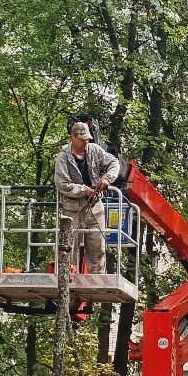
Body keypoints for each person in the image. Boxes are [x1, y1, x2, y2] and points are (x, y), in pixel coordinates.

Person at [53, 116, 122, 275]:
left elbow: (114, 163)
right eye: (83, 139)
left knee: (98, 247)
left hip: (95, 207)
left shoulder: (95, 150)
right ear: (74, 137)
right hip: (72, 209)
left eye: (87, 139)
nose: (86, 142)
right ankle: (67, 281)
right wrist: (84, 190)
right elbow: (62, 183)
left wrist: (106, 178)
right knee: (69, 247)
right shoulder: (63, 156)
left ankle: (97, 284)